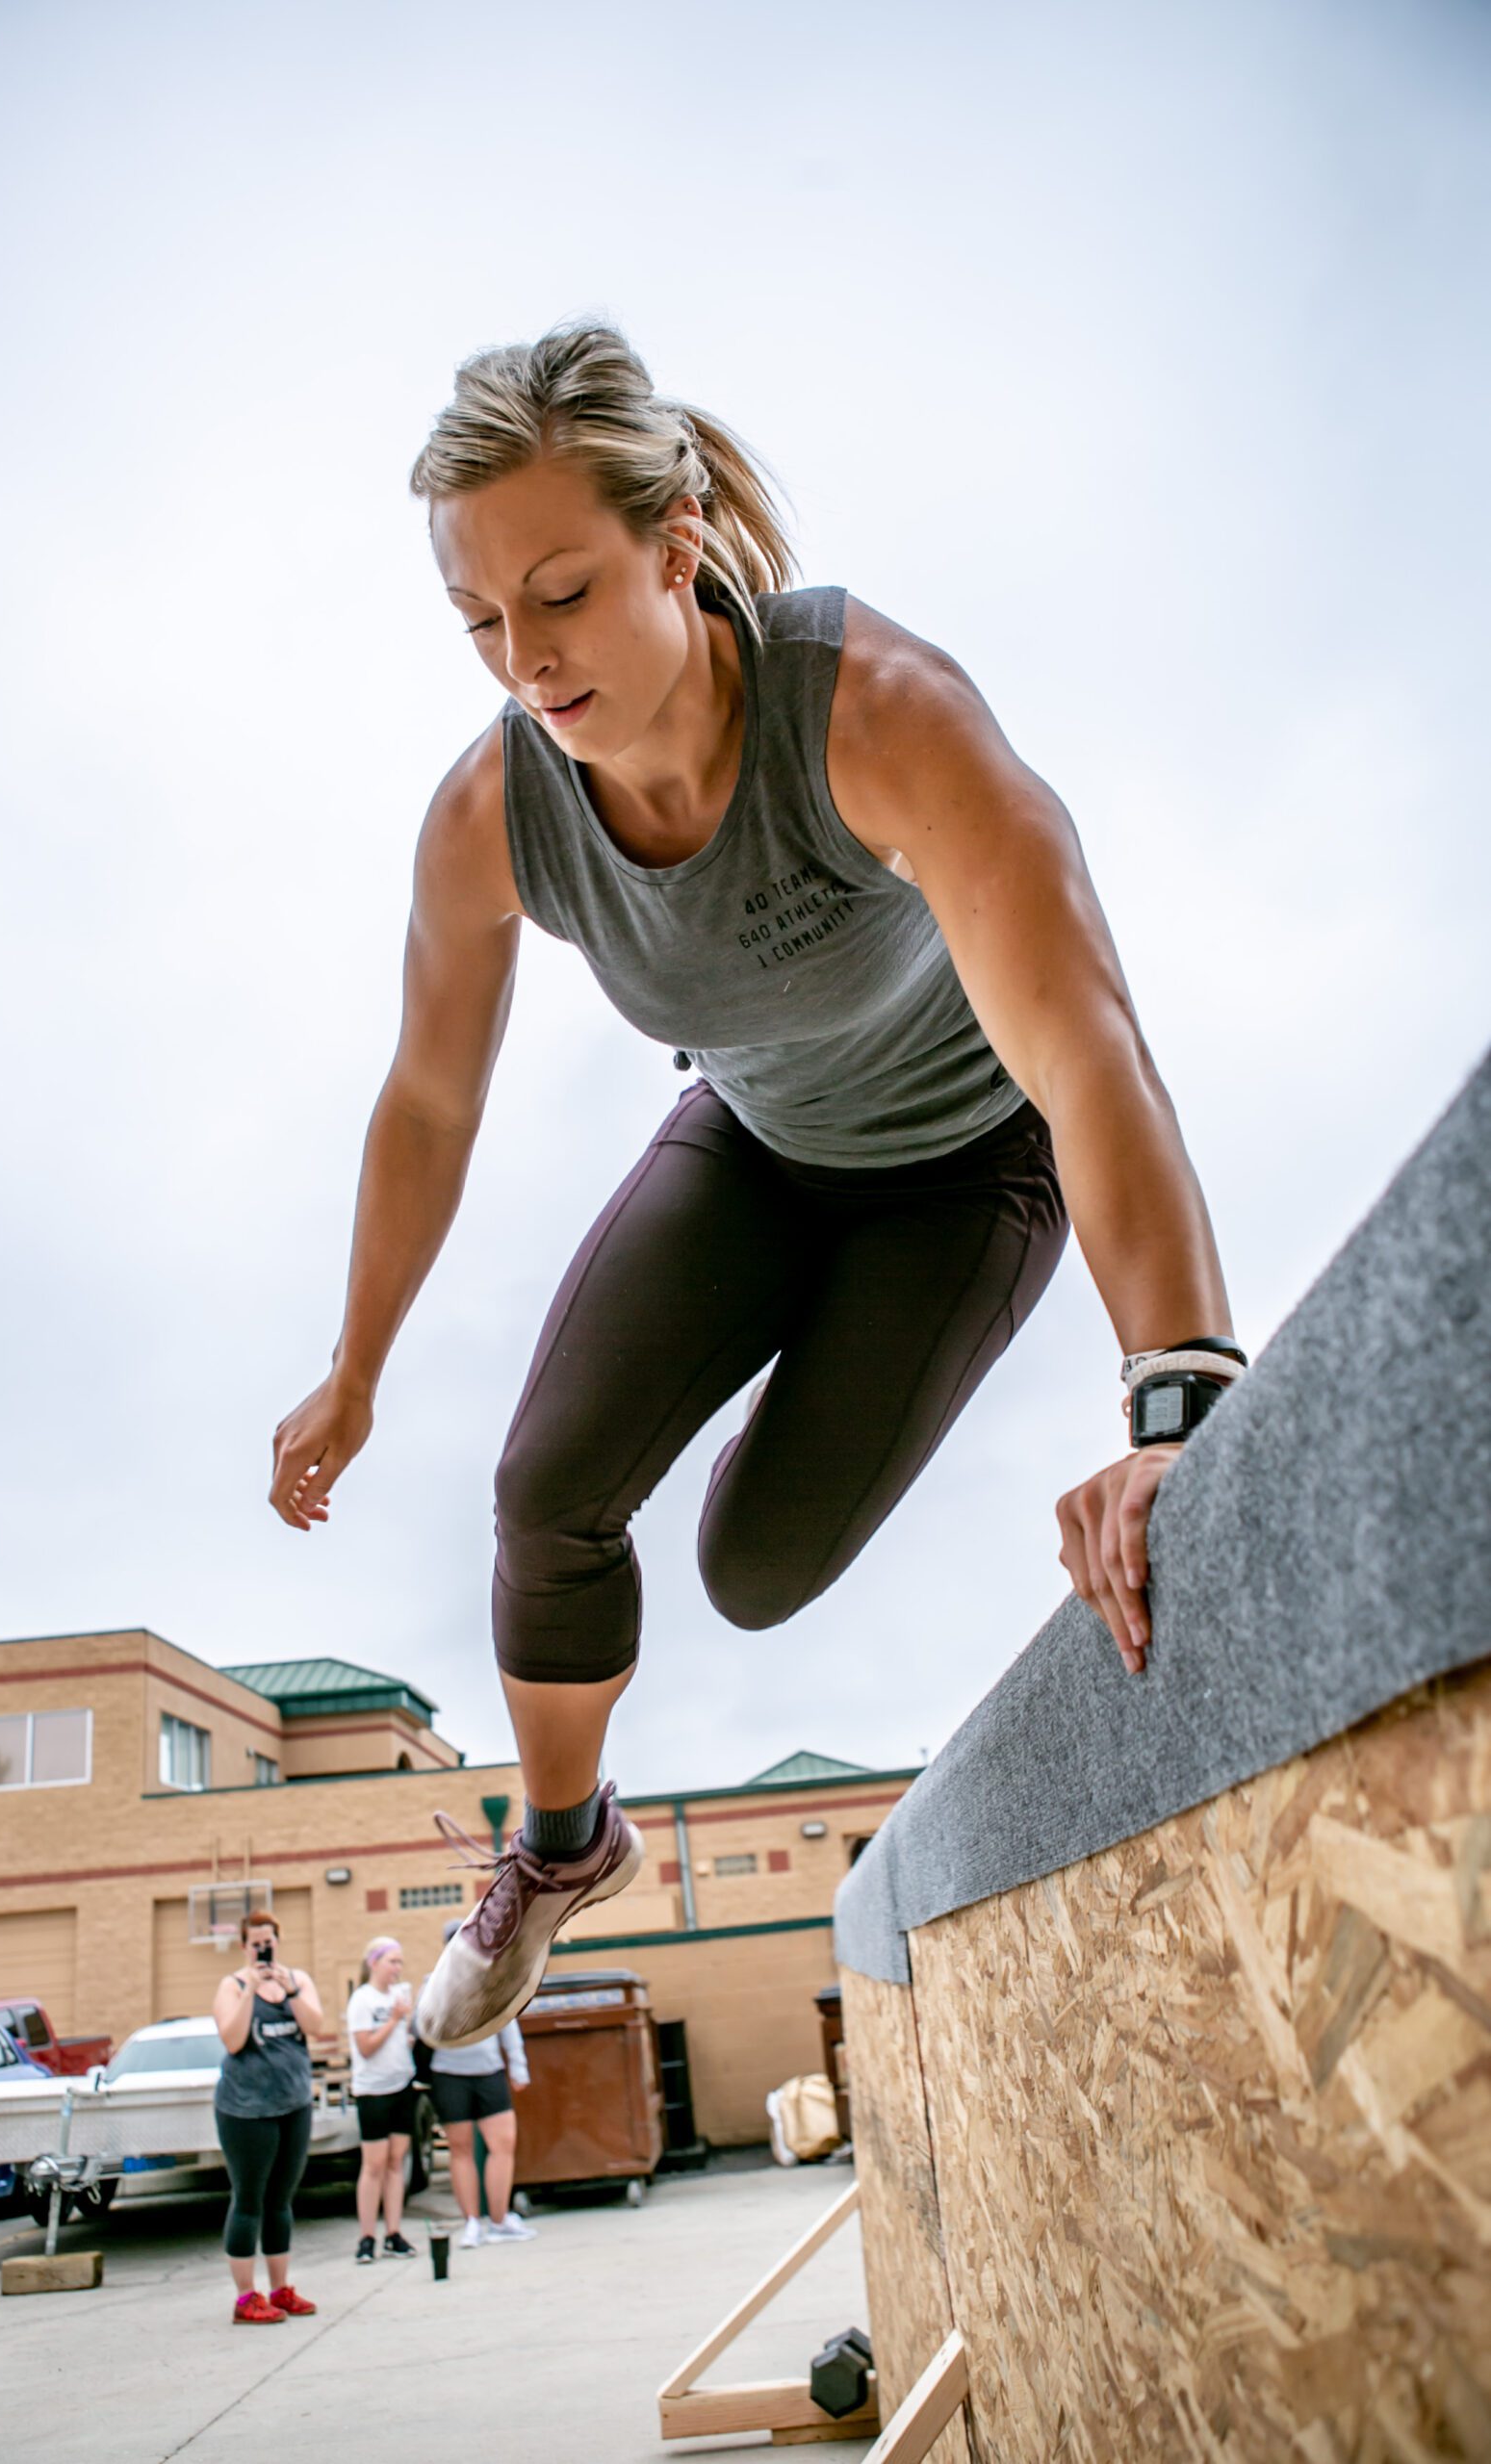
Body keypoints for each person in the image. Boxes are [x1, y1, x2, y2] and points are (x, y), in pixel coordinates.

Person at [269, 320, 1243, 2059]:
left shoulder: (879, 717)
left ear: (680, 534)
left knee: (753, 1567)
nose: (526, 661)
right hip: (760, 1145)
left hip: (966, 1170)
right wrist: (354, 1368)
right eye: (483, 623)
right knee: (545, 1488)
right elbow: (425, 1103)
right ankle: (560, 1852)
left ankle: (834, 1389)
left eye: (561, 594)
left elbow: (1089, 1054)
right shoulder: (492, 816)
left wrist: (1177, 1404)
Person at [211, 1909, 325, 2323]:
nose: (263, 1948)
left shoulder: (298, 1981)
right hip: (245, 2111)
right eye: (256, 1942)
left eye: (269, 1941)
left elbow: (315, 2024)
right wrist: (250, 1990)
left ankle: (280, 2289)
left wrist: (288, 1989)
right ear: (244, 1946)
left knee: (280, 2200)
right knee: (249, 2199)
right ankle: (246, 2298)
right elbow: (234, 2039)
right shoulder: (231, 1986)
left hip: (292, 2105)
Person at [423, 1919, 536, 2248]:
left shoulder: (492, 1979)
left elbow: (506, 2023)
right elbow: (423, 2026)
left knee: (503, 2144)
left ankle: (499, 2220)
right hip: (449, 2073)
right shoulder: (434, 1982)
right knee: (461, 2150)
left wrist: (518, 2066)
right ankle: (472, 2222)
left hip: (488, 2071)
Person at [345, 1936, 418, 2261]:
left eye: (400, 1962)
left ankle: (393, 2231)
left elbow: (401, 2041)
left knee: (395, 2161)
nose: (397, 1969)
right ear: (374, 1963)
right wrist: (393, 2019)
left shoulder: (399, 1997)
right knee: (373, 2164)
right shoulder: (363, 2000)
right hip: (373, 2091)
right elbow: (366, 2047)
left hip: (400, 2085)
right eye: (392, 1962)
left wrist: (408, 2030)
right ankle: (366, 2236)